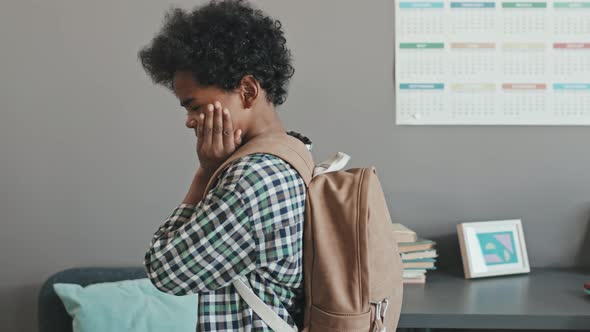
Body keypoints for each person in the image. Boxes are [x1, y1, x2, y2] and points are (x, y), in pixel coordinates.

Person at [137, 0, 310, 331]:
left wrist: (204, 172)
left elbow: (165, 271)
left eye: (196, 107)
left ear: (247, 91)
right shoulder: (295, 151)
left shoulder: (253, 180)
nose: (190, 121)